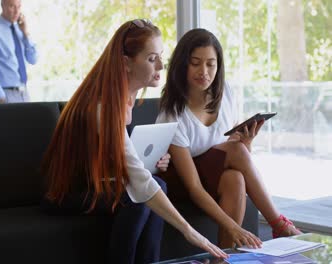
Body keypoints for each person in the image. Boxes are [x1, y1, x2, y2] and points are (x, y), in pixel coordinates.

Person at [41, 20, 228, 264]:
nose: (161, 65)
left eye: (161, 56)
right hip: (70, 191)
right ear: (126, 63)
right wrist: (189, 231)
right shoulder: (103, 106)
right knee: (136, 197)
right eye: (152, 59)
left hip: (100, 182)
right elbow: (133, 179)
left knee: (157, 184)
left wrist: (151, 162)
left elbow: (119, 164)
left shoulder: (128, 98)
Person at [157, 28, 302, 249]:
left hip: (211, 173)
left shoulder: (225, 93)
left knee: (235, 178)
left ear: (218, 66)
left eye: (210, 64)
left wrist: (246, 143)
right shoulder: (172, 113)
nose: (203, 71)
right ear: (182, 64)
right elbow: (194, 187)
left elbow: (239, 158)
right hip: (180, 181)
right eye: (195, 63)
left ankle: (223, 258)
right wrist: (235, 227)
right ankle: (279, 224)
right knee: (235, 152)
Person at [0, 0, 38, 104]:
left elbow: (33, 59)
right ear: (2, 5)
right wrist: (1, 97)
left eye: (19, 7)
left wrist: (25, 33)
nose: (16, 11)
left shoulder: (20, 29)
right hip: (4, 95)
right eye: (12, 6)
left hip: (24, 93)